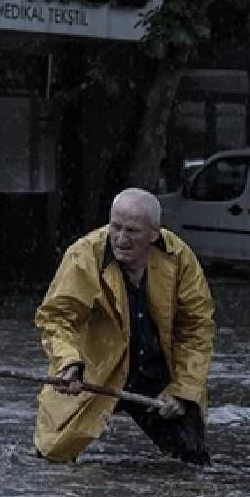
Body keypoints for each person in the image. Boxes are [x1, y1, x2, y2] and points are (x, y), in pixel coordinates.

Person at [34, 188, 214, 464]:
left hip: (157, 375)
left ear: (154, 234)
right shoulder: (84, 255)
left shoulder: (179, 258)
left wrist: (183, 390)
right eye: (115, 227)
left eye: (132, 231)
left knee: (193, 461)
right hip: (95, 373)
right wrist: (68, 362)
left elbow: (196, 329)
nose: (121, 239)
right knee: (51, 457)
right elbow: (57, 317)